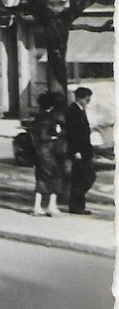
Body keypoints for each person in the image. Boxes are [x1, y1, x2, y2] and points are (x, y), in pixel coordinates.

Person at [31, 91, 66, 216]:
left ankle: (37, 206)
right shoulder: (48, 118)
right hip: (49, 152)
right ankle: (51, 205)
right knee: (55, 177)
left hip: (39, 152)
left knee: (41, 178)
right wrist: (55, 136)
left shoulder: (38, 117)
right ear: (51, 106)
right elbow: (44, 135)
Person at [65, 86, 96, 214]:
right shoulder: (73, 111)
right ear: (79, 98)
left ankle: (78, 205)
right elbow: (72, 133)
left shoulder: (81, 110)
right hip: (79, 151)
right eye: (86, 99)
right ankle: (76, 206)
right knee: (81, 178)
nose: (88, 102)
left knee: (87, 177)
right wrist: (76, 151)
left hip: (85, 150)